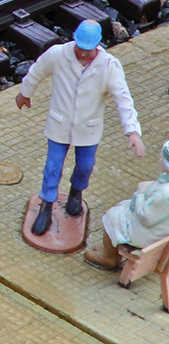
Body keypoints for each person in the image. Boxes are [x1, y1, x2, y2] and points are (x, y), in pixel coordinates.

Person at [16, 19, 145, 237]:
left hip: (88, 128)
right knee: (52, 166)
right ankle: (46, 205)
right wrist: (25, 92)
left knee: (85, 165)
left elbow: (123, 99)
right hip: (59, 124)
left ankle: (76, 192)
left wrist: (132, 131)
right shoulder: (58, 54)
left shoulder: (109, 66)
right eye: (80, 48)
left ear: (98, 45)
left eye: (89, 50)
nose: (84, 54)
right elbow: (37, 70)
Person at [85, 140, 169, 269]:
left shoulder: (164, 195)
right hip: (162, 230)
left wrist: (140, 193)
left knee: (114, 215)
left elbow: (145, 217)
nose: (159, 159)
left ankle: (109, 257)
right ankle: (110, 249)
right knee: (124, 207)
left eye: (161, 157)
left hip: (150, 236)